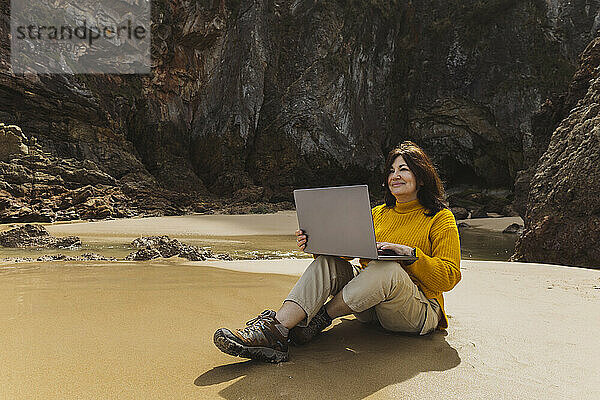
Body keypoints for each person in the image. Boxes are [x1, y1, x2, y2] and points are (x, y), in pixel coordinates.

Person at [213, 141, 461, 363]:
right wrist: (318, 244)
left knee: (387, 267)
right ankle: (276, 331)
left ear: (422, 177)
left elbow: (449, 278)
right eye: (391, 171)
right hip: (368, 307)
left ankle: (319, 319)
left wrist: (410, 254)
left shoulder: (441, 218)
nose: (395, 176)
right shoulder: (377, 214)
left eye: (404, 169)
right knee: (327, 263)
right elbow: (344, 255)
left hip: (416, 312)